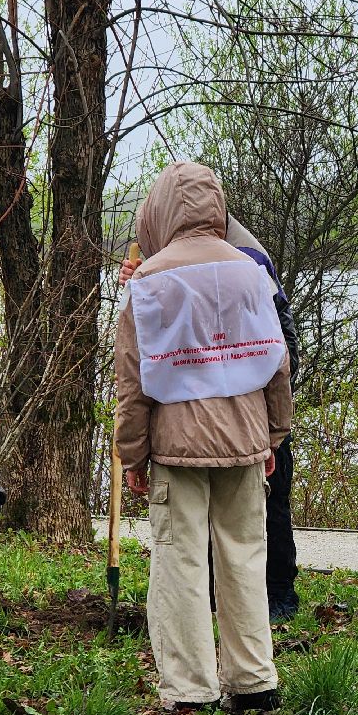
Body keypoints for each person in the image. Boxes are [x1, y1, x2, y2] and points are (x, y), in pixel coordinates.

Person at [115, 162, 292, 713]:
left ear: (162, 210)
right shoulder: (251, 272)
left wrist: (132, 453)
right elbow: (276, 366)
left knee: (180, 561)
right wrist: (273, 436)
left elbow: (133, 379)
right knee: (244, 557)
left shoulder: (148, 281)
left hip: (177, 445)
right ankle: (254, 679)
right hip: (245, 441)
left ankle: (191, 689)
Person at [120, 213, 302, 621]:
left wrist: (273, 432)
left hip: (245, 408)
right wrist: (144, 288)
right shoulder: (178, 255)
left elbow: (282, 350)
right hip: (218, 414)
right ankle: (226, 605)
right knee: (223, 522)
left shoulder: (247, 260)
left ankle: (278, 597)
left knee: (264, 513)